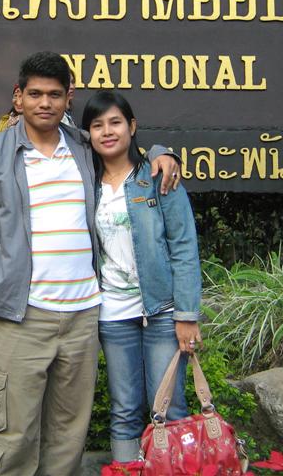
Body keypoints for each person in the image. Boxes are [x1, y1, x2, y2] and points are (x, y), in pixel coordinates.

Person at [0, 52, 180, 476]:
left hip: (82, 317)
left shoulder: (82, 147)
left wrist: (162, 153)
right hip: (21, 316)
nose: (45, 103)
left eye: (55, 94)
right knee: (13, 436)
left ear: (68, 97)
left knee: (68, 435)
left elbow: (125, 152)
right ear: (18, 97)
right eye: (35, 93)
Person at [81, 90, 202, 467]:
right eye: (97, 125)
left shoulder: (156, 176)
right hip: (113, 313)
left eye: (115, 122)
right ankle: (126, 470)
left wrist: (187, 315)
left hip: (162, 311)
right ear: (88, 134)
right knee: (123, 410)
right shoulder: (86, 183)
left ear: (132, 127)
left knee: (169, 406)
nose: (107, 131)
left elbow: (184, 247)